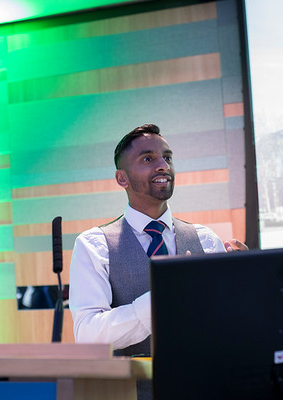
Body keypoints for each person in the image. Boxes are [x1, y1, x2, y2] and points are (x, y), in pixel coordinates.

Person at [68, 124, 247, 397]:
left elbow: (228, 327)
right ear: (122, 178)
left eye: (168, 157)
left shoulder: (206, 240)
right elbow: (89, 336)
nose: (163, 165)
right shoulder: (94, 245)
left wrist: (245, 285)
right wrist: (163, 298)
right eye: (148, 159)